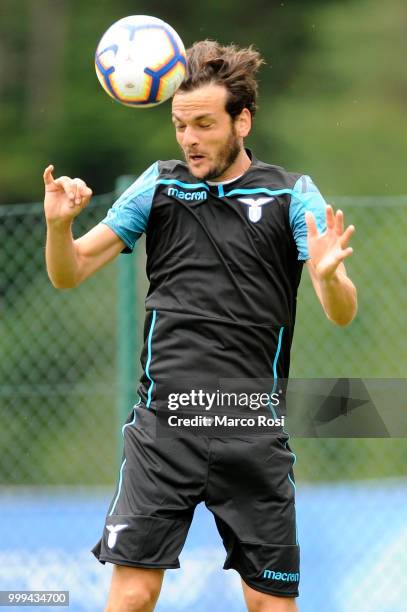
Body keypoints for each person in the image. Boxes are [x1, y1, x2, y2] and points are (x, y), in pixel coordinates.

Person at [44, 40, 357, 612]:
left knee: (270, 605)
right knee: (133, 594)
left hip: (249, 427)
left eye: (205, 124)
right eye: (179, 123)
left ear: (243, 120)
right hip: (164, 428)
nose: (189, 138)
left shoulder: (291, 194)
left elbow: (340, 310)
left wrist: (331, 276)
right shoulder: (159, 185)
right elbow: (70, 272)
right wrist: (59, 229)